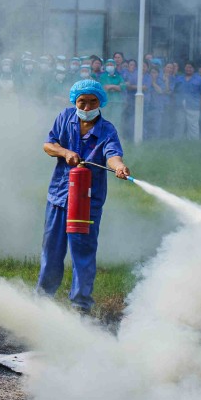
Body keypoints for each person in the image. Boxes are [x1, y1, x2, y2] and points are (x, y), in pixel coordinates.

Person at [37, 79, 130, 314]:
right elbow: (48, 145)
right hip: (59, 197)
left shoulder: (107, 130)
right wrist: (65, 152)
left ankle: (81, 306)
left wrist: (119, 167)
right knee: (52, 251)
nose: (87, 108)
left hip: (87, 202)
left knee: (83, 253)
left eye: (92, 102)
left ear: (101, 102)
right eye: (82, 102)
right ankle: (43, 300)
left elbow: (112, 155)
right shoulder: (65, 118)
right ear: (74, 101)